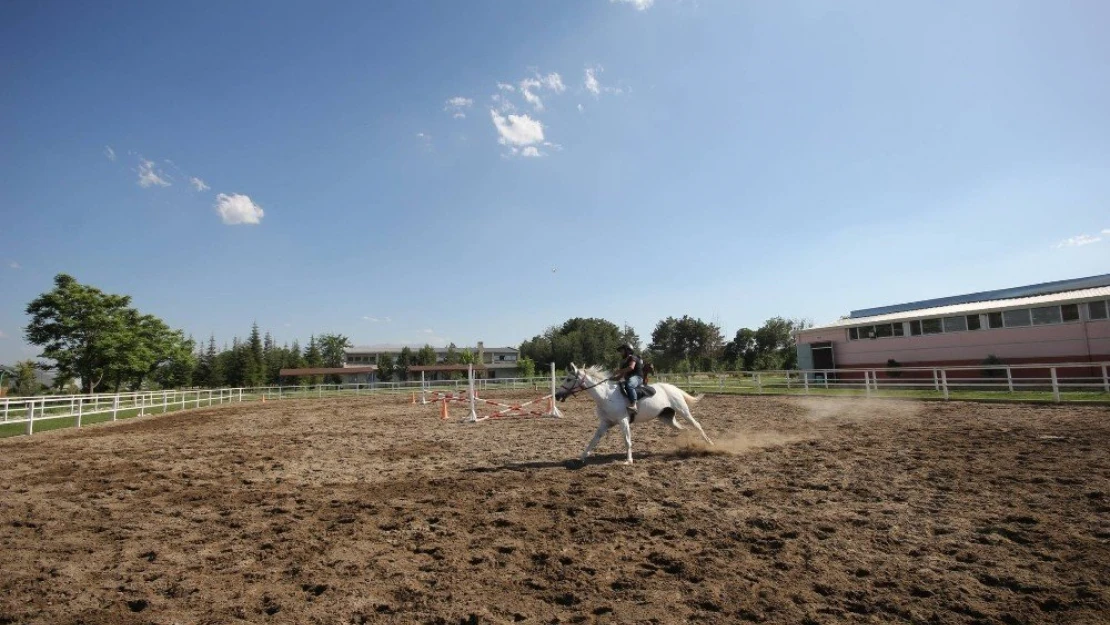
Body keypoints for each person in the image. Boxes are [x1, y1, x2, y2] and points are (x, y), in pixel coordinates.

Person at [611, 343, 644, 417]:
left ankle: (634, 405)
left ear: (628, 351)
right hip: (629, 378)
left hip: (637, 377)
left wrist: (618, 371)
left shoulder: (633, 358)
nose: (620, 353)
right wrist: (610, 379)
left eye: (622, 351)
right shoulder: (623, 362)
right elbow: (620, 376)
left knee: (629, 385)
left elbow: (631, 367)